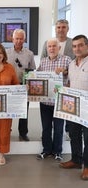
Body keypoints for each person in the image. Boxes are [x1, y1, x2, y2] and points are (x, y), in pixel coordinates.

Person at [36, 38, 71, 161]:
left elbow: (71, 76)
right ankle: (46, 150)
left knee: (58, 128)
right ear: (47, 48)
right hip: (45, 101)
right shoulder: (43, 61)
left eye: (54, 46)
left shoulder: (66, 59)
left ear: (59, 47)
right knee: (46, 127)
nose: (51, 48)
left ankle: (57, 152)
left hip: (60, 101)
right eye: (49, 46)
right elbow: (37, 77)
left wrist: (65, 71)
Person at [59, 34, 88, 181]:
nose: (77, 48)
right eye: (75, 46)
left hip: (87, 108)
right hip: (73, 107)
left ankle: (87, 167)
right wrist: (62, 90)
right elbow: (70, 84)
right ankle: (76, 160)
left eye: (80, 45)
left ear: (86, 45)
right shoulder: (71, 64)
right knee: (74, 134)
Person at [6, 28, 36, 141]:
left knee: (24, 110)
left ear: (24, 39)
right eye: (16, 38)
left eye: (21, 39)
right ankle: (7, 130)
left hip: (23, 86)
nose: (18, 41)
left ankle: (23, 133)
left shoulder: (29, 54)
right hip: (9, 87)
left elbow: (32, 70)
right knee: (8, 110)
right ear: (12, 39)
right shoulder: (6, 53)